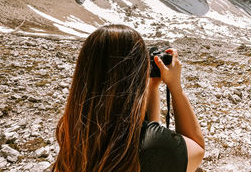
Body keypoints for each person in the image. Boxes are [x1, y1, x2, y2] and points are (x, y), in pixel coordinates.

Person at [52, 24, 205, 172]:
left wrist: (152, 86)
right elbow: (197, 149)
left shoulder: (72, 130)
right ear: (137, 74)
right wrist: (175, 87)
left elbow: (147, 129)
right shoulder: (152, 147)